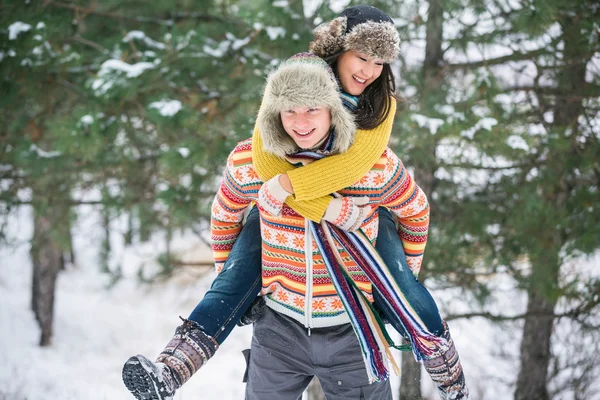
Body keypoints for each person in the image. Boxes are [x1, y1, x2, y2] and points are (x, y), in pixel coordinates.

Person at [122, 6, 469, 400]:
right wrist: (232, 273)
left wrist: (392, 280)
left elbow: (415, 210)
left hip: (352, 332)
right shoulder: (254, 156)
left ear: (333, 112)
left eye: (313, 111)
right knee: (241, 259)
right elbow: (224, 213)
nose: (302, 122)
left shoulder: (375, 162)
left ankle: (445, 365)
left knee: (400, 278)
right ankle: (172, 368)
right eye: (291, 112)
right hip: (279, 333)